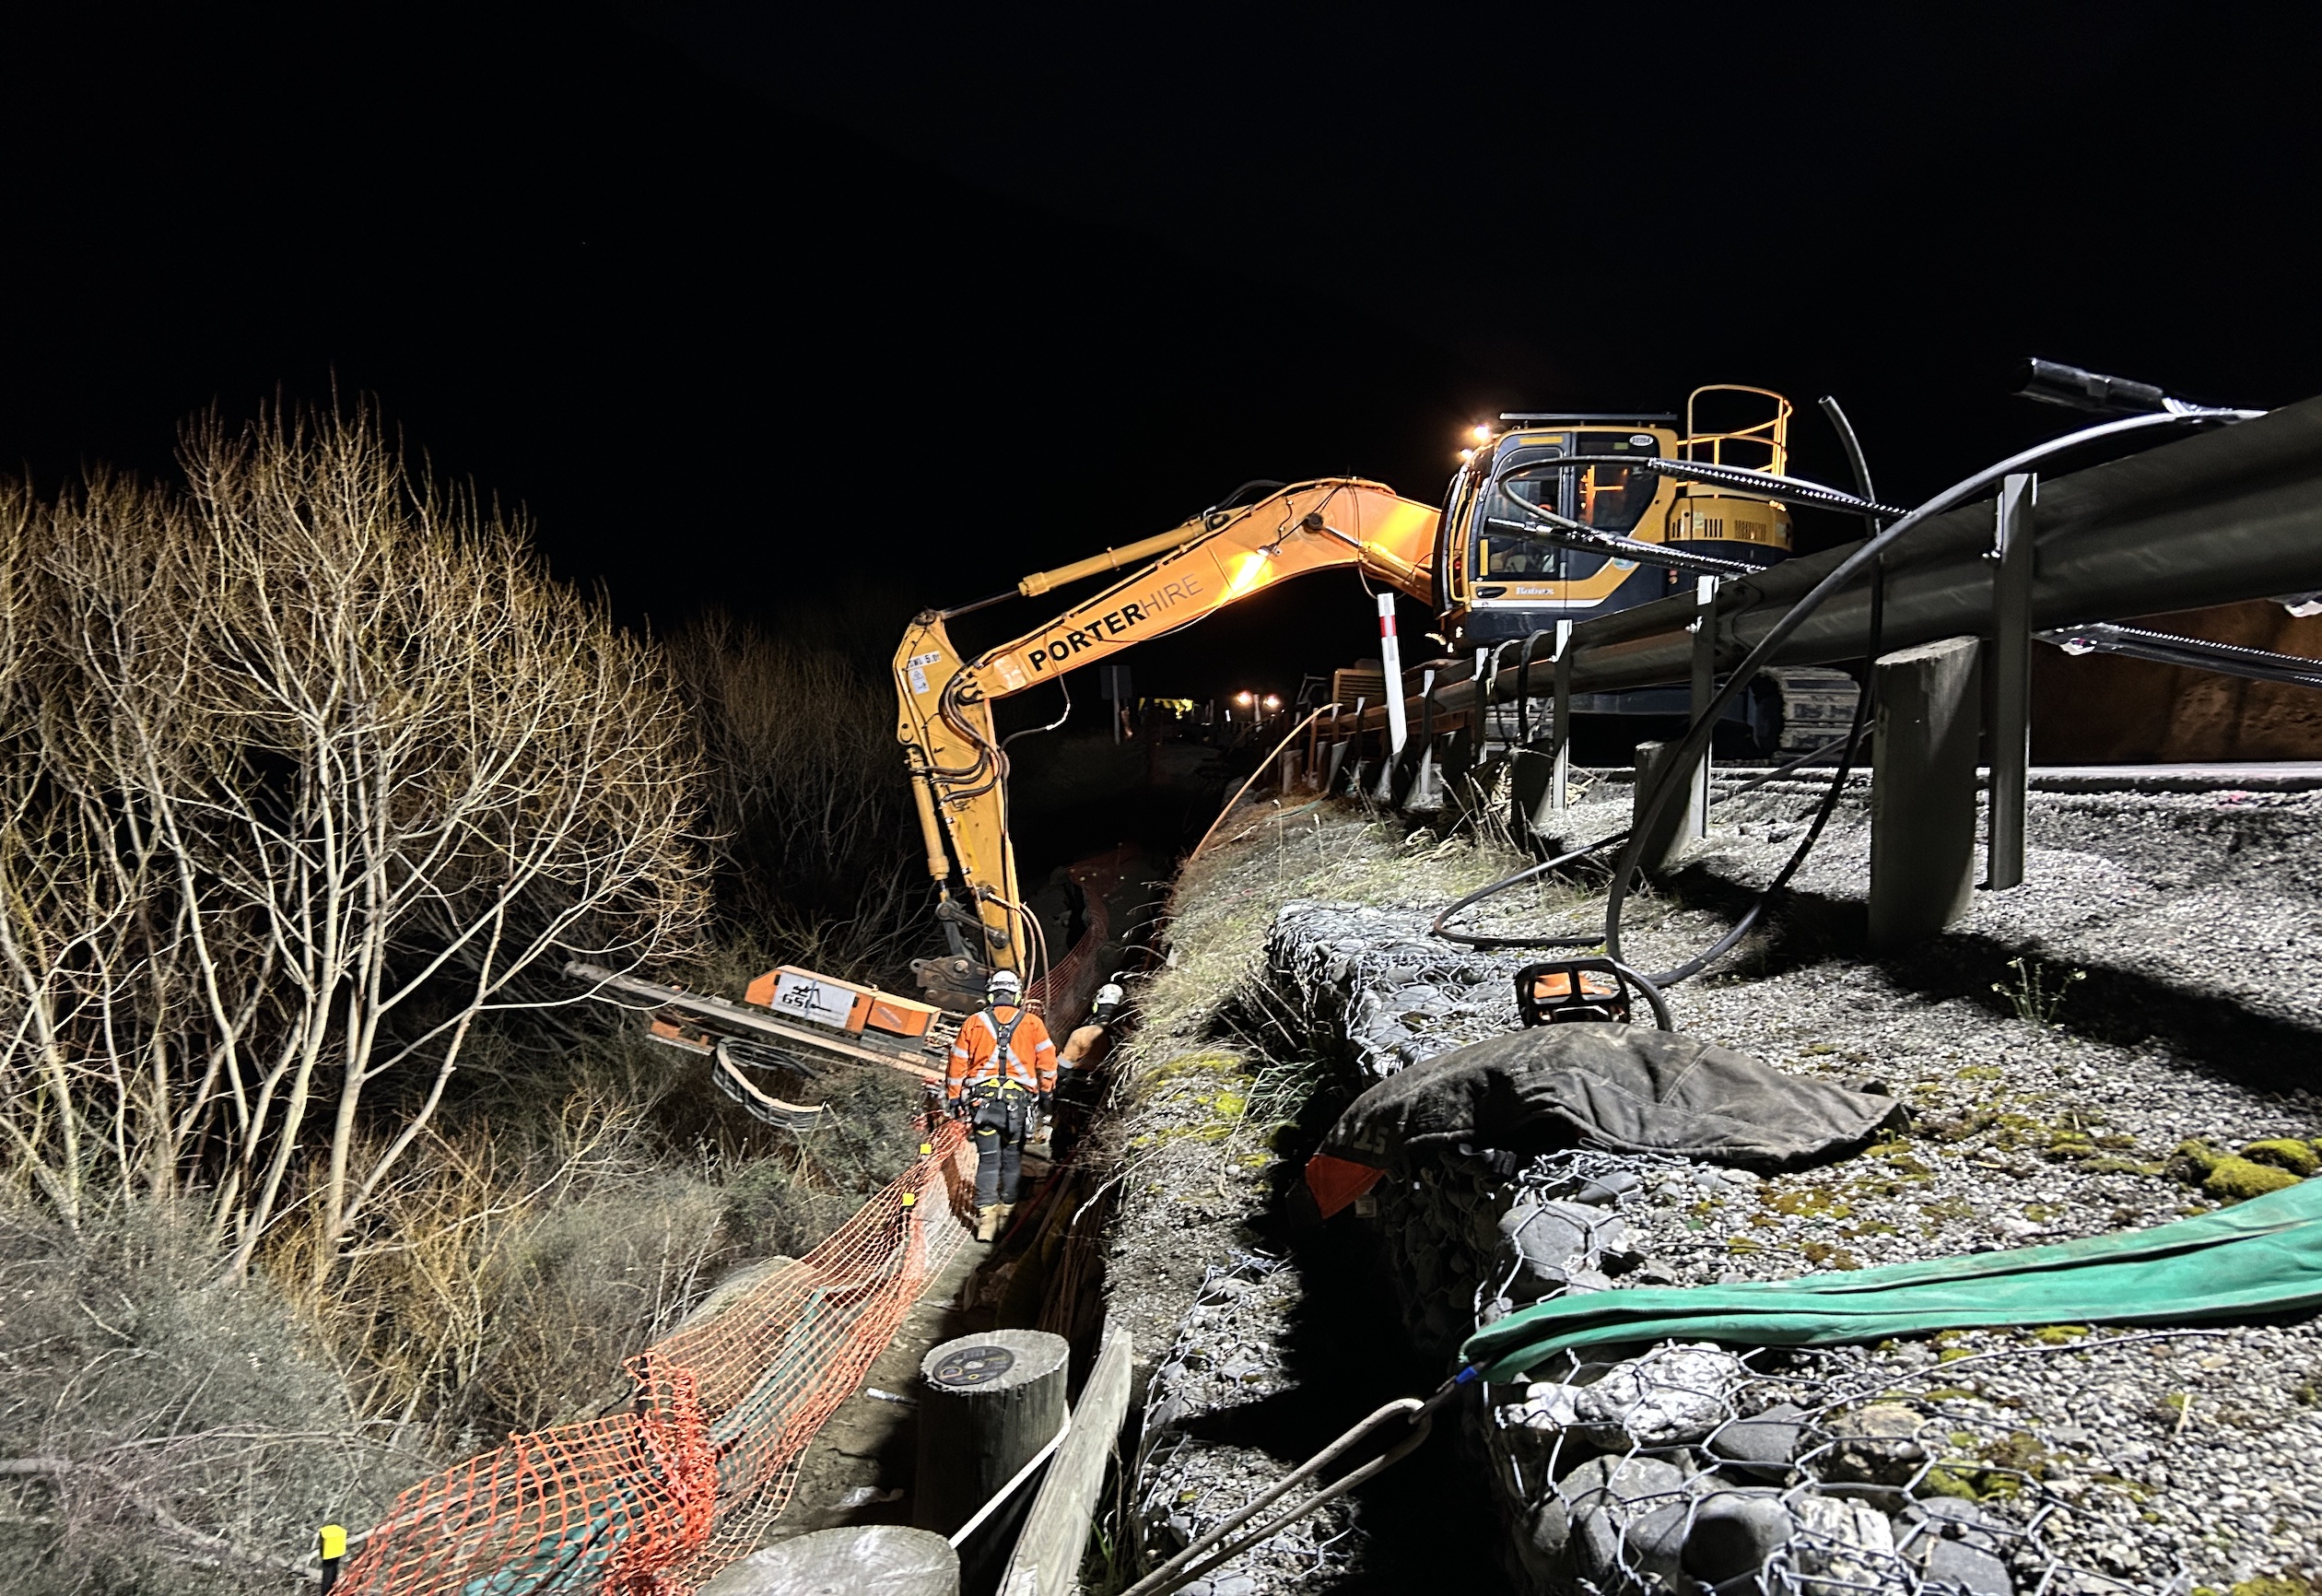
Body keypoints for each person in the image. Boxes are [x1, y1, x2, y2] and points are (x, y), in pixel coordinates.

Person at [945, 968, 1057, 1241]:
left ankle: (986, 1222)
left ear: (991, 994)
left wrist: (954, 1096)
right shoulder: (1032, 1023)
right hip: (1017, 1107)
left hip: (983, 1105)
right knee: (1011, 1160)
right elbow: (1048, 1063)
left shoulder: (974, 1022)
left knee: (988, 1161)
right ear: (1017, 995)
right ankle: (1007, 1216)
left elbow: (958, 1062)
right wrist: (1046, 1093)